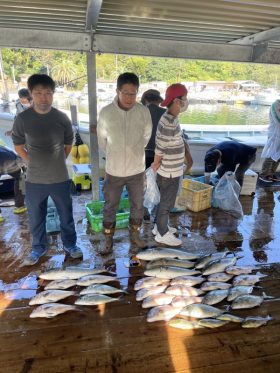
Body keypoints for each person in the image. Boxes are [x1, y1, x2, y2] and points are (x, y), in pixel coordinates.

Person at [12, 74, 82, 266]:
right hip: (34, 179)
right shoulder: (23, 118)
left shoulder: (61, 117)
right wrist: (32, 161)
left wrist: (58, 159)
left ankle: (71, 245)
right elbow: (18, 145)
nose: (44, 97)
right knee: (36, 217)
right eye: (39, 93)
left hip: (60, 177)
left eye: (48, 93)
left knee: (66, 215)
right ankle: (38, 248)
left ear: (53, 94)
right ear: (31, 94)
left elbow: (69, 143)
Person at [97, 72, 152, 254]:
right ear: (117, 91)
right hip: (114, 171)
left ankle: (135, 235)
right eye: (126, 93)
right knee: (110, 205)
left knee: (137, 204)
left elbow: (146, 136)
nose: (129, 97)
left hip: (137, 170)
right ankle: (108, 239)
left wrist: (133, 153)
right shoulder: (106, 112)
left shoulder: (143, 112)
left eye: (133, 93)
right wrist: (117, 155)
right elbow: (102, 141)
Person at [152, 83, 192, 246]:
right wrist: (155, 164)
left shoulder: (171, 118)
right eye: (184, 99)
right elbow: (160, 148)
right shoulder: (169, 121)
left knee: (163, 200)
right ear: (177, 101)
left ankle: (158, 226)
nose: (186, 102)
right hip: (169, 171)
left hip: (170, 169)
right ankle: (162, 234)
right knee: (166, 203)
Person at [141, 89, 166, 222]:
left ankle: (145, 212)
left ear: (145, 100)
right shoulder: (165, 113)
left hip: (142, 155)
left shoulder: (139, 112)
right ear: (158, 100)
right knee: (160, 184)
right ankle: (158, 214)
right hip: (161, 156)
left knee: (143, 183)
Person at [0, 146, 27, 223]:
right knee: (21, 179)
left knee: (21, 178)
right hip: (12, 162)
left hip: (9, 160)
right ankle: (20, 206)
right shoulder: (5, 148)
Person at [259, 99, 280, 182]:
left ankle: (271, 174)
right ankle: (264, 174)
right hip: (275, 134)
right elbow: (277, 120)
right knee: (271, 154)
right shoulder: (275, 104)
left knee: (278, 155)